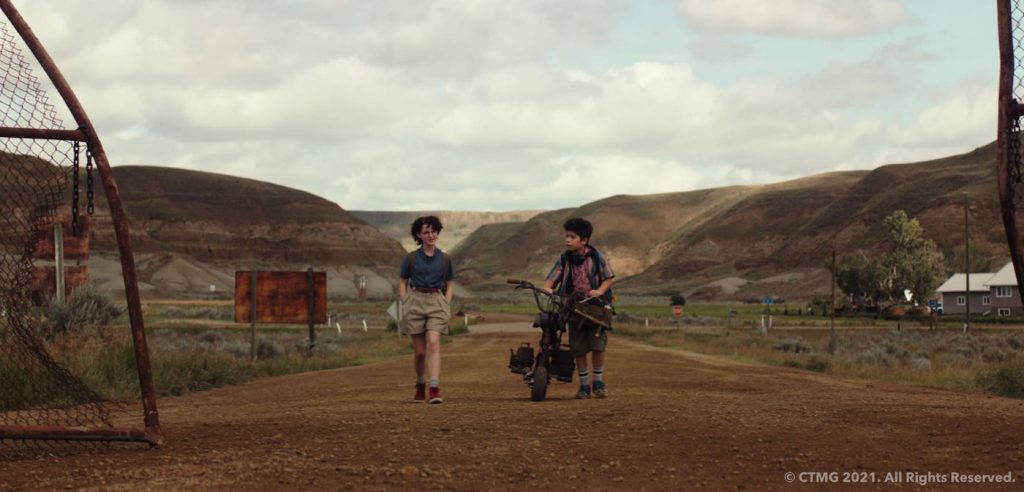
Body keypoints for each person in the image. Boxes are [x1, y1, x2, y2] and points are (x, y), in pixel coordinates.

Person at [543, 217, 615, 399]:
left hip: (597, 308)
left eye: (572, 237)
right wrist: (548, 287)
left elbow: (608, 278)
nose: (567, 240)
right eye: (566, 236)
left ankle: (598, 381)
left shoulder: (598, 257)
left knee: (598, 346)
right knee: (578, 348)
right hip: (573, 308)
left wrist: (599, 291)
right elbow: (552, 276)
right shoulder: (564, 259)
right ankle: (584, 386)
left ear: (584, 240)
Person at [399, 215, 454, 404]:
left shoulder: (445, 259)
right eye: (426, 232)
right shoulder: (411, 258)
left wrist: (446, 303)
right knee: (420, 352)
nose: (430, 235)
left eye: (433, 231)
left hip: (436, 301)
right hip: (415, 301)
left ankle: (434, 387)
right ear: (419, 235)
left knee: (433, 343)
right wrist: (406, 301)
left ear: (437, 232)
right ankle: (420, 383)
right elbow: (402, 281)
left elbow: (450, 283)